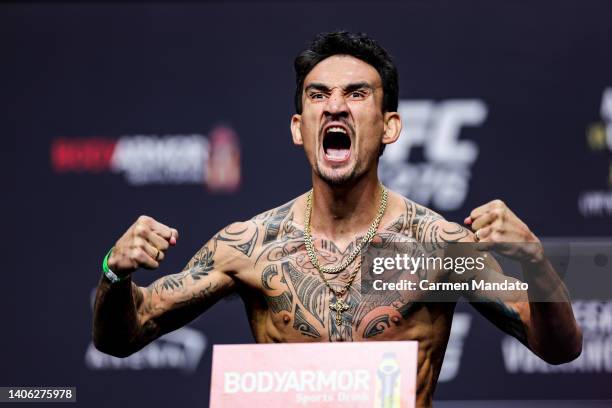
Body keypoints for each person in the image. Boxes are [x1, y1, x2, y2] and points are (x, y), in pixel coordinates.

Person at [92, 31, 582, 406]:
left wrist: (536, 262)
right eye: (317, 95)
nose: (335, 107)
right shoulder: (250, 245)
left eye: (357, 94)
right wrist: (115, 271)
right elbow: (124, 335)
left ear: (391, 126)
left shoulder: (439, 247)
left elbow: (559, 348)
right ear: (298, 127)